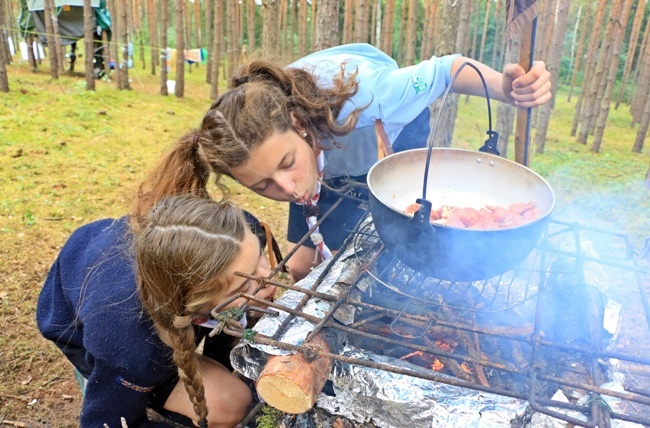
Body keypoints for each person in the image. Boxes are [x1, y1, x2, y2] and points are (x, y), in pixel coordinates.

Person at [147, 43, 552, 282]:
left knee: (395, 234)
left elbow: (448, 69)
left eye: (287, 164)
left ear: (296, 123)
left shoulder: (378, 99)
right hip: (319, 148)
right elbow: (286, 177)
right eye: (262, 186)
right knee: (303, 262)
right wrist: (289, 170)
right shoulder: (260, 139)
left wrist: (505, 88)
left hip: (375, 133)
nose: (288, 189)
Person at [37, 194, 277, 428]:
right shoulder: (132, 345)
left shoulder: (237, 234)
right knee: (228, 401)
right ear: (195, 308)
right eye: (246, 284)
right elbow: (102, 422)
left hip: (109, 252)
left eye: (258, 259)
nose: (268, 278)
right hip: (81, 320)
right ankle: (117, 380)